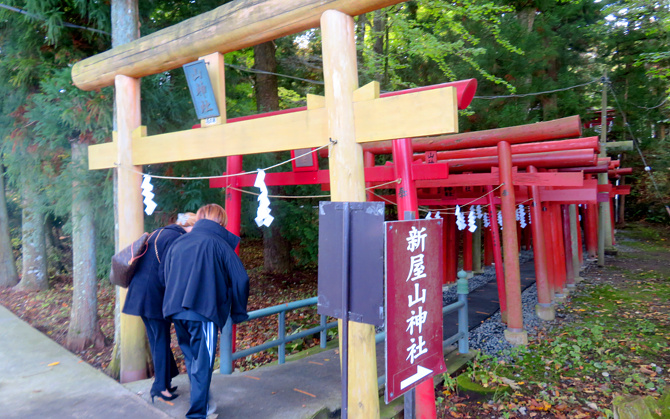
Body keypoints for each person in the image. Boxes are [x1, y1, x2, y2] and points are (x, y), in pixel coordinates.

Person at [162, 203, 250, 419]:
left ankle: (205, 404)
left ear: (200, 218)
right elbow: (241, 279)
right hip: (204, 313)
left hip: (177, 311)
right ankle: (197, 414)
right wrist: (238, 311)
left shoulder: (178, 243)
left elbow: (165, 275)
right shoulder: (219, 244)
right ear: (221, 222)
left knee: (192, 360)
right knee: (203, 365)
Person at [122, 212, 197, 403]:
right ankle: (160, 387)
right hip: (153, 296)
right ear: (189, 226)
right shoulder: (176, 238)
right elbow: (171, 271)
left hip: (141, 294)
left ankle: (164, 381)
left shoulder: (159, 233)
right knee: (161, 340)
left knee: (157, 339)